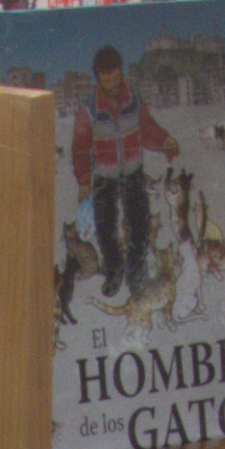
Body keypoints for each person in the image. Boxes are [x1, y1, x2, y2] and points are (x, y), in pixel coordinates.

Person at [71, 44, 175, 303]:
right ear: (98, 79)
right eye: (106, 80)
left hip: (132, 171)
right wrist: (84, 181)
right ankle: (114, 270)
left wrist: (164, 141)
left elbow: (147, 128)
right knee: (105, 228)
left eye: (116, 77)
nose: (112, 84)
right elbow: (80, 148)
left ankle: (136, 273)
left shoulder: (133, 99)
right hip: (104, 176)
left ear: (121, 73)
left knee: (139, 225)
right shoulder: (89, 109)